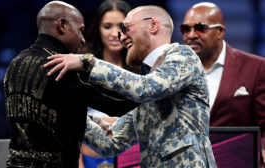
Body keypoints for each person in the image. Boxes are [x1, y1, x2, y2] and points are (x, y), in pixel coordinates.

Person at [44, 5, 217, 168]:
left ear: (153, 25)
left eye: (126, 29)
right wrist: (68, 110)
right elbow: (110, 143)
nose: (122, 38)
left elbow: (146, 89)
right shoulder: (148, 80)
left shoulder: (184, 56)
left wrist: (87, 62)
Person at [3, 1, 137, 167]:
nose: (82, 39)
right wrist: (89, 62)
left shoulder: (15, 63)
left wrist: (94, 119)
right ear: (62, 25)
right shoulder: (62, 66)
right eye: (80, 30)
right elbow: (122, 103)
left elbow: (53, 113)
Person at [180, 2, 265, 160]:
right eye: (185, 29)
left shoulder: (256, 68)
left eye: (200, 27)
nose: (191, 35)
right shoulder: (172, 72)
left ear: (220, 31)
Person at [78, 0, 138, 167]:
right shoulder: (81, 66)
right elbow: (69, 121)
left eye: (121, 27)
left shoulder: (144, 70)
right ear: (98, 29)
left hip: (134, 159)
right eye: (107, 26)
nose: (114, 33)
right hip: (89, 159)